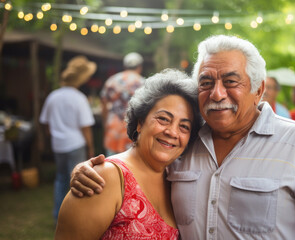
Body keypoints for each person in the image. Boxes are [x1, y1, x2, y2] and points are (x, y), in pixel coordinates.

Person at [70, 35, 295, 239]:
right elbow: (138, 173)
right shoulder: (184, 143)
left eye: (231, 81)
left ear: (259, 89)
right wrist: (90, 169)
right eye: (206, 83)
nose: (217, 93)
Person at [55, 69, 203, 239]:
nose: (172, 132)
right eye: (163, 119)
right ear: (140, 123)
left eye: (184, 126)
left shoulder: (177, 178)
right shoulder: (103, 179)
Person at [39, 55, 96, 222]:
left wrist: (54, 135)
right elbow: (86, 128)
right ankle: (75, 217)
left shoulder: (53, 96)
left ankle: (58, 215)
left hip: (58, 145)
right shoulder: (79, 98)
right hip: (75, 144)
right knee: (78, 182)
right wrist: (90, 147)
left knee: (61, 179)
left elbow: (46, 124)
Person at [101, 52, 145, 156]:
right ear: (139, 67)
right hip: (132, 130)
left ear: (125, 66)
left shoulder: (112, 81)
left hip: (113, 127)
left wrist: (105, 123)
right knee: (129, 166)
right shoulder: (143, 83)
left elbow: (103, 104)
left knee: (110, 165)